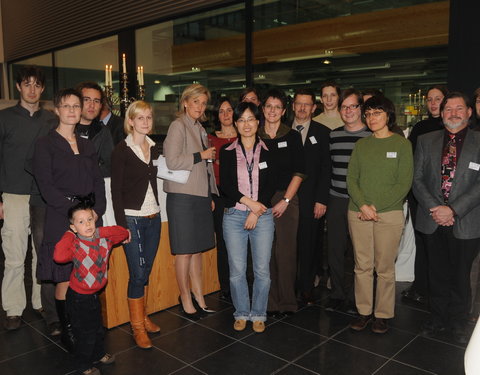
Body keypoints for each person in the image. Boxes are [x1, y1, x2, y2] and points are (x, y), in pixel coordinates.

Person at [33, 88, 106, 352]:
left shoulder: (87, 143)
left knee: (87, 277)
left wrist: (97, 209)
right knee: (65, 278)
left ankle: (90, 332)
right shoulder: (45, 143)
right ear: (57, 110)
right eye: (67, 106)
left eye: (77, 105)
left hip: (88, 218)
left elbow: (97, 181)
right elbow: (46, 185)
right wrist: (73, 213)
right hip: (60, 218)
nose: (73, 110)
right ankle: (69, 334)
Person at [413, 92, 480, 344]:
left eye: (459, 108)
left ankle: (458, 322)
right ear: (441, 114)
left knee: (461, 275)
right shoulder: (425, 140)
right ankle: (437, 319)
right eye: (448, 109)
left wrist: (453, 210)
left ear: (469, 112)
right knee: (437, 273)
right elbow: (417, 179)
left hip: (467, 219)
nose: (453, 113)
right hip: (432, 218)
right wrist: (436, 208)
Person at [347, 95, 413, 334]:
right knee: (362, 266)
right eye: (368, 114)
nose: (371, 118)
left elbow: (404, 183)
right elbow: (351, 179)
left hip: (389, 214)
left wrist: (375, 208)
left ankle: (382, 315)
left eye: (376, 113)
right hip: (358, 213)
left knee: (384, 267)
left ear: (388, 115)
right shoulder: (361, 145)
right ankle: (364, 312)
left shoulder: (401, 144)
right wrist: (364, 206)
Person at [0, 65, 56, 331]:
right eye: (27, 84)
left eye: (37, 84)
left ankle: (40, 302)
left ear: (42, 89)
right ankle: (13, 308)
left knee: (41, 253)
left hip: (44, 196)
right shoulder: (4, 118)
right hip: (13, 194)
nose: (32, 89)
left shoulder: (51, 119)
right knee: (14, 255)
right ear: (19, 87)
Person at [54, 199, 128, 375]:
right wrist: (69, 234)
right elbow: (58, 256)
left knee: (97, 329)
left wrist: (100, 231)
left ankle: (99, 353)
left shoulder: (103, 240)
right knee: (84, 334)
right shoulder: (74, 244)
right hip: (78, 298)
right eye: (80, 222)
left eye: (90, 219)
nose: (87, 224)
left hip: (94, 295)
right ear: (73, 227)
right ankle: (83, 365)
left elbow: (122, 233)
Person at [220, 101, 276, 333]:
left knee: (262, 269)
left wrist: (256, 210)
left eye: (250, 119)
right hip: (233, 216)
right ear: (235, 123)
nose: (246, 124)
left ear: (258, 122)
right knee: (237, 270)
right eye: (241, 119)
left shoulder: (269, 150)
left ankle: (259, 313)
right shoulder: (227, 152)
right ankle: (242, 312)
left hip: (262, 217)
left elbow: (271, 185)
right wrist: (250, 204)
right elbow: (227, 186)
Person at [163, 84, 218, 319]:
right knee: (185, 252)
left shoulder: (200, 128)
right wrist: (201, 155)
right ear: (185, 102)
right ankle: (184, 297)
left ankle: (199, 296)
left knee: (197, 251)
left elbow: (207, 170)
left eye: (203, 103)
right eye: (196, 101)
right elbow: (172, 161)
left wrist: (210, 195)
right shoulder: (178, 126)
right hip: (182, 198)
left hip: (200, 196)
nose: (200, 107)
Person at [111, 100, 162, 349]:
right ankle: (137, 327)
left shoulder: (154, 147)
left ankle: (143, 315)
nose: (145, 122)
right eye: (140, 118)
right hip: (132, 218)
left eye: (149, 117)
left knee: (147, 270)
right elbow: (116, 191)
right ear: (130, 121)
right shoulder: (122, 149)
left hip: (154, 217)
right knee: (137, 274)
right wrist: (122, 227)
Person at [258, 88, 305, 316]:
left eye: (277, 107)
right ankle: (269, 302)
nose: (273, 111)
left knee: (285, 252)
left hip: (286, 198)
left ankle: (287, 301)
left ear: (284, 111)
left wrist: (286, 199)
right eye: (269, 106)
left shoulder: (292, 136)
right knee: (264, 253)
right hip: (259, 201)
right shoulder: (254, 135)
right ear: (263, 109)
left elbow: (300, 171)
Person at [325, 88, 370, 312]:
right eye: (344, 107)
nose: (348, 110)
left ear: (361, 108)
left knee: (357, 252)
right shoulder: (333, 136)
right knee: (334, 249)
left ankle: (355, 296)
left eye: (353, 106)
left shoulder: (371, 136)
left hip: (359, 202)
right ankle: (337, 293)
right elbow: (328, 168)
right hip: (337, 199)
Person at [402, 85, 447, 305]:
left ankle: (438, 290)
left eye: (437, 99)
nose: (433, 103)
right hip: (419, 194)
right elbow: (411, 162)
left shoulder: (452, 127)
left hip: (446, 199)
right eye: (429, 99)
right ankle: (421, 286)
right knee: (422, 242)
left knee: (442, 245)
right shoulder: (420, 127)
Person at [289, 88, 331, 306]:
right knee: (287, 245)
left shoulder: (322, 133)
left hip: (312, 199)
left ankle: (306, 287)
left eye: (307, 104)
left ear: (314, 108)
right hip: (286, 199)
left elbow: (326, 169)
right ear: (293, 105)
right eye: (299, 104)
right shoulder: (284, 131)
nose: (302, 108)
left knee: (309, 245)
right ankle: (287, 287)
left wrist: (322, 199)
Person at [208, 97, 237, 301]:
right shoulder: (210, 139)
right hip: (218, 196)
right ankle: (226, 286)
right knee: (224, 243)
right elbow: (206, 170)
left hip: (241, 196)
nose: (226, 115)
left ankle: (244, 282)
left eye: (228, 110)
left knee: (243, 242)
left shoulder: (245, 134)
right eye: (221, 111)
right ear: (217, 116)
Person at [75, 81, 114, 177]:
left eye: (96, 101)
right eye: (87, 99)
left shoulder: (103, 131)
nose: (92, 105)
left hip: (94, 188)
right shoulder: (64, 129)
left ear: (101, 106)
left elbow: (110, 165)